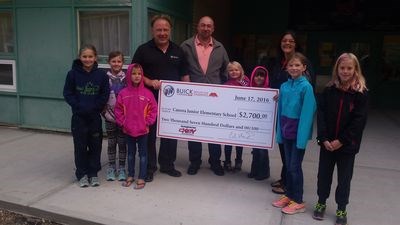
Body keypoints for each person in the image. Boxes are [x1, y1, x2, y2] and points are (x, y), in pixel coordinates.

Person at [131, 14, 189, 182]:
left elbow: (185, 75)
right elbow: (134, 73)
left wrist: (189, 96)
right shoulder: (143, 50)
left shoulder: (179, 51)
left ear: (170, 30)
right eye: (159, 30)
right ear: (152, 31)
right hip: (148, 101)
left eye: (165, 29)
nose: (162, 33)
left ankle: (168, 165)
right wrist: (149, 81)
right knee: (149, 135)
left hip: (173, 102)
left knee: (170, 134)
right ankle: (150, 167)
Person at [312, 53, 368, 225]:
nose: (345, 71)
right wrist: (324, 138)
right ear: (337, 69)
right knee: (323, 176)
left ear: (355, 70)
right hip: (327, 144)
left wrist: (341, 140)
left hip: (347, 146)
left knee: (344, 179)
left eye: (349, 68)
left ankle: (341, 207)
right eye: (342, 68)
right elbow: (321, 114)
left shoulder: (361, 93)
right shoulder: (329, 89)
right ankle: (321, 201)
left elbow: (359, 121)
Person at [267, 30, 316, 194]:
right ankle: (286, 179)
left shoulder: (303, 63)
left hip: (296, 118)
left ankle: (291, 187)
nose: (287, 43)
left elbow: (306, 93)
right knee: (285, 151)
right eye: (284, 40)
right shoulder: (279, 62)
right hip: (282, 113)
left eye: (291, 41)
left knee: (293, 159)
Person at [181, 16, 229, 176]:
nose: (206, 28)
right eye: (203, 25)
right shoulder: (186, 46)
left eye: (209, 26)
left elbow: (226, 71)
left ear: (213, 29)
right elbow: (180, 67)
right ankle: (195, 161)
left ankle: (215, 162)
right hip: (192, 96)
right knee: (193, 129)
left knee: (214, 131)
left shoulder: (220, 47)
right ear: (198, 27)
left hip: (214, 97)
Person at [271, 52, 316, 214]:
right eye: (291, 65)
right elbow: (281, 111)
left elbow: (308, 113)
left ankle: (298, 200)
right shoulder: (284, 86)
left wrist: (302, 139)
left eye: (297, 65)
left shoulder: (306, 87)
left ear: (304, 68)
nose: (294, 68)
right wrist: (279, 133)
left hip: (297, 135)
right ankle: (289, 195)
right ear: (286, 67)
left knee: (295, 167)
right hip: (286, 132)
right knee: (288, 166)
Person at [63, 44, 110, 188]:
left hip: (94, 117)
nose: (87, 59)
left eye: (90, 56)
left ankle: (93, 173)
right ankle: (82, 174)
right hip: (79, 117)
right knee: (80, 146)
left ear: (95, 58)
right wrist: (78, 106)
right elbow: (67, 93)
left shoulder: (101, 75)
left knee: (95, 146)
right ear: (80, 57)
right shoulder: (72, 74)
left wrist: (96, 107)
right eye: (85, 56)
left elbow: (105, 93)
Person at [115, 63, 158, 190]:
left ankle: (142, 177)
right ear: (129, 75)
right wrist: (123, 123)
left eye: (139, 74)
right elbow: (118, 110)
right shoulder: (123, 93)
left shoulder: (148, 93)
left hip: (143, 130)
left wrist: (148, 122)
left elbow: (153, 110)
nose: (137, 76)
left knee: (143, 155)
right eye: (133, 73)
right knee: (130, 154)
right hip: (128, 131)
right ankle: (131, 175)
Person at [102, 51, 127, 182]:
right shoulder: (104, 77)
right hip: (109, 115)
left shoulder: (127, 78)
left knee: (122, 142)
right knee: (111, 142)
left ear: (123, 63)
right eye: (113, 61)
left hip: (123, 117)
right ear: (109, 62)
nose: (116, 64)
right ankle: (111, 167)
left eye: (119, 61)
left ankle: (122, 167)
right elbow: (101, 96)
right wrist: (103, 111)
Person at [222, 61, 249, 172]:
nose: (234, 72)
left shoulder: (246, 81)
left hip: (241, 117)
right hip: (229, 117)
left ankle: (239, 161)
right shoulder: (226, 84)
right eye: (231, 70)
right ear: (228, 72)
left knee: (239, 140)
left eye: (236, 70)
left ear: (241, 70)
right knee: (228, 141)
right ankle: (227, 161)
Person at [247, 66, 271, 180]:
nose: (259, 78)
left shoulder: (269, 92)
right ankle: (254, 170)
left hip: (264, 125)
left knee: (262, 150)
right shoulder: (248, 90)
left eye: (262, 76)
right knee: (255, 149)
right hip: (252, 124)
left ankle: (264, 172)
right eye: (257, 75)